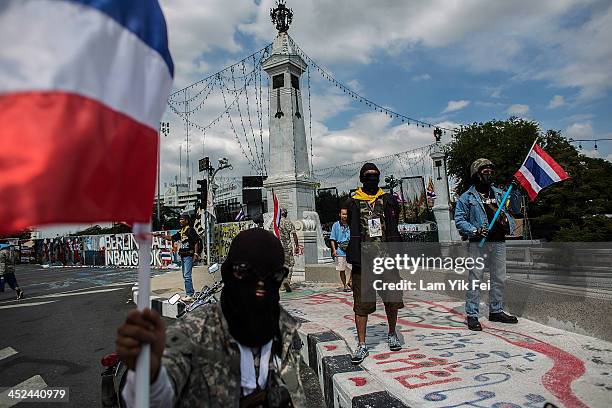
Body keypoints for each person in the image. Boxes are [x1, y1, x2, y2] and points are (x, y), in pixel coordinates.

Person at [116, 229, 306, 407]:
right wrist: (150, 375)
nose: (259, 287)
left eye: (273, 275)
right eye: (245, 272)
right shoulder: (195, 331)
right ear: (228, 273)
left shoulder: (285, 328)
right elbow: (158, 393)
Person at [346, 163, 404, 364]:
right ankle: (362, 345)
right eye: (368, 175)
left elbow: (395, 220)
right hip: (364, 261)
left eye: (376, 175)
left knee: (392, 299)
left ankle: (392, 333)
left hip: (386, 258)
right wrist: (351, 268)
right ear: (362, 178)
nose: (373, 178)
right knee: (361, 304)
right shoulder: (353, 202)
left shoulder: (387, 199)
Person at [454, 158, 519, 331]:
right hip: (479, 243)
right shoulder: (466, 197)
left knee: (499, 277)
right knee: (476, 279)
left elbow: (513, 210)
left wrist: (515, 188)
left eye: (491, 171)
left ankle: (496, 311)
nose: (489, 174)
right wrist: (475, 231)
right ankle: (472, 314)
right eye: (485, 171)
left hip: (498, 242)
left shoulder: (499, 193)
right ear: (476, 174)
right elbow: (459, 220)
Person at [154, 213, 202, 301]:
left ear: (186, 221)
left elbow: (196, 242)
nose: (180, 221)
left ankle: (190, 294)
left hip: (189, 256)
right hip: (183, 256)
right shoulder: (182, 231)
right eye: (180, 219)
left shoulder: (190, 230)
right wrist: (160, 235)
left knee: (187, 276)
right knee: (185, 275)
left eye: (182, 219)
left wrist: (195, 254)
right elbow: (171, 238)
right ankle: (190, 292)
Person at [278, 208, 301, 293]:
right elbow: (294, 234)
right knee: (290, 264)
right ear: (286, 214)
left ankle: (281, 284)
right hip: (287, 247)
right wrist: (297, 246)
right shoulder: (288, 222)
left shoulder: (275, 223)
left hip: (278, 247)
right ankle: (286, 281)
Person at [330, 207, 352, 292]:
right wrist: (334, 250)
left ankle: (350, 281)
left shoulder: (350, 224)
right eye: (343, 214)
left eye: (346, 214)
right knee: (341, 269)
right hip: (340, 250)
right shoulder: (336, 225)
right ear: (340, 214)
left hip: (350, 249)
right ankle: (345, 285)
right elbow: (332, 239)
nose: (344, 216)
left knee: (354, 268)